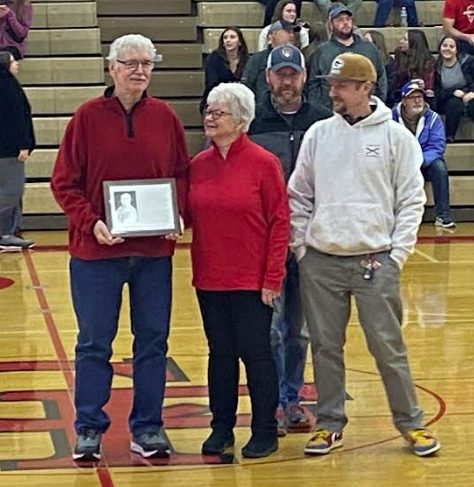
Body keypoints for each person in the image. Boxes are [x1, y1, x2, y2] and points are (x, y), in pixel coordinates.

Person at [288, 53, 441, 457]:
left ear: (365, 88)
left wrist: (397, 255)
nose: (332, 90)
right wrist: (302, 248)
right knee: (324, 347)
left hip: (377, 260)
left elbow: (411, 201)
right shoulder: (319, 134)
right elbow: (298, 195)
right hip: (321, 260)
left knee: (388, 347)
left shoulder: (396, 138)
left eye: (340, 85)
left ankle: (411, 423)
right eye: (332, 83)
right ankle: (329, 423)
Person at [50, 34, 189, 462]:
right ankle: (89, 428)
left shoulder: (165, 117)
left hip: (153, 256)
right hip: (96, 255)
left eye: (147, 63)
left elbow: (181, 175)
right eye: (131, 63)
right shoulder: (86, 117)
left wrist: (177, 213)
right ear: (112, 68)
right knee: (94, 342)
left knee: (153, 342)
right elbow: (63, 183)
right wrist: (92, 223)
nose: (140, 71)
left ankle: (148, 428)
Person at [188, 83, 290, 459]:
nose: (210, 117)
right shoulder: (197, 165)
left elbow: (281, 223)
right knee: (220, 355)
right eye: (209, 110)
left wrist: (272, 277)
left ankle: (265, 428)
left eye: (220, 112)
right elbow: (182, 213)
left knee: (257, 355)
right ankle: (221, 427)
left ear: (242, 121)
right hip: (209, 277)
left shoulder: (264, 163)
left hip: (252, 281)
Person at [248, 45, 332, 437]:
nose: (286, 81)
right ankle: (272, 404)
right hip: (266, 242)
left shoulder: (323, 122)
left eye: (292, 74)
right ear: (268, 77)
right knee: (270, 328)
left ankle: (292, 397)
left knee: (299, 330)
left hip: (310, 242)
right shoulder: (253, 123)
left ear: (303, 77)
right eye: (279, 74)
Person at [393, 80, 456, 229]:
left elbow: (437, 146)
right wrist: (404, 162)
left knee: (439, 167)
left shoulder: (433, 118)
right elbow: (387, 145)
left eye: (420, 97)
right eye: (412, 97)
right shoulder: (391, 118)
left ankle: (443, 216)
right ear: (403, 101)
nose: (417, 101)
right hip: (400, 162)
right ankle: (392, 217)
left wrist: (418, 161)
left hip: (424, 162)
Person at [307, 4, 387, 109]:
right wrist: (321, 110)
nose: (345, 23)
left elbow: (381, 78)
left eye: (348, 19)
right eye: (340, 20)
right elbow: (313, 85)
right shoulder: (321, 52)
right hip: (330, 113)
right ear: (331, 25)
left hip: (365, 110)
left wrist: (375, 104)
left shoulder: (369, 48)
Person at [0, 49, 34, 249]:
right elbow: (17, 118)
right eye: (13, 62)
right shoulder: (8, 86)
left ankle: (6, 234)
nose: (17, 64)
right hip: (9, 150)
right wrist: (23, 144)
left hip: (6, 149)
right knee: (12, 191)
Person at [242, 20, 300, 104]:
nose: (292, 35)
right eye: (287, 31)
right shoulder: (257, 59)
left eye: (293, 32)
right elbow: (247, 86)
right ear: (273, 34)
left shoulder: (298, 58)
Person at [434, 35, 474, 142]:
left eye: (451, 46)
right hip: (447, 98)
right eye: (445, 45)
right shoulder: (435, 66)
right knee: (454, 103)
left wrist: (472, 93)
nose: (447, 48)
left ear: (456, 50)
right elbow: (436, 92)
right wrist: (452, 92)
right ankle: (449, 136)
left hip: (469, 93)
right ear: (440, 48)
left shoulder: (468, 61)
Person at [200, 27, 249, 113]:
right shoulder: (214, 58)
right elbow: (212, 83)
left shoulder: (247, 60)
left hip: (240, 102)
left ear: (240, 42)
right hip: (217, 100)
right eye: (225, 38)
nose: (228, 40)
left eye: (232, 37)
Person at [394, 30, 436, 105]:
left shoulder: (428, 61)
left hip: (422, 95)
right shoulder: (399, 54)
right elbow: (396, 79)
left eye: (405, 39)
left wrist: (424, 85)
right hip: (401, 94)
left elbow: (430, 85)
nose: (401, 41)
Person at [364, 30, 396, 107]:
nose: (363, 43)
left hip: (383, 102)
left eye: (367, 40)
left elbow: (390, 84)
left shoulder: (388, 62)